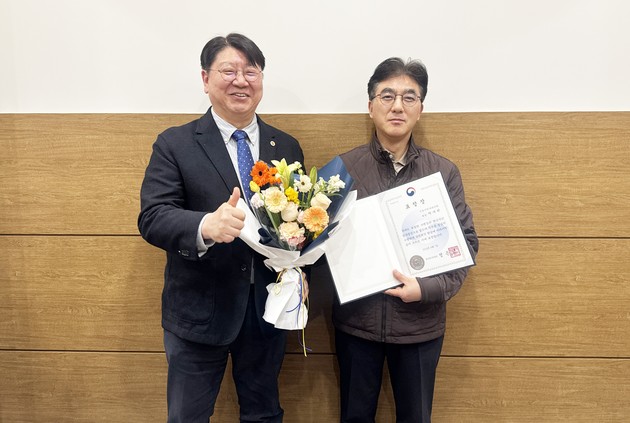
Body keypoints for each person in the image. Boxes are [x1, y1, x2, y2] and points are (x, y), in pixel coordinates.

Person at [138, 33, 304, 423]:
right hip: (199, 310)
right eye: (228, 71)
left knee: (264, 414)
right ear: (205, 78)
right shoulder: (175, 143)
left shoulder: (286, 146)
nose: (241, 81)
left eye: (251, 71)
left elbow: (299, 225)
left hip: (267, 309)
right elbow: (153, 217)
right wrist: (205, 225)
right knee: (188, 417)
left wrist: (300, 274)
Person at [333, 57, 479, 422]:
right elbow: (323, 244)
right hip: (357, 324)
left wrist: (425, 290)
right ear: (371, 107)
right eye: (387, 96)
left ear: (420, 109)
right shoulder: (343, 169)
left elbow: (465, 244)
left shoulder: (442, 172)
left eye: (409, 97)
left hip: (420, 327)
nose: (397, 106)